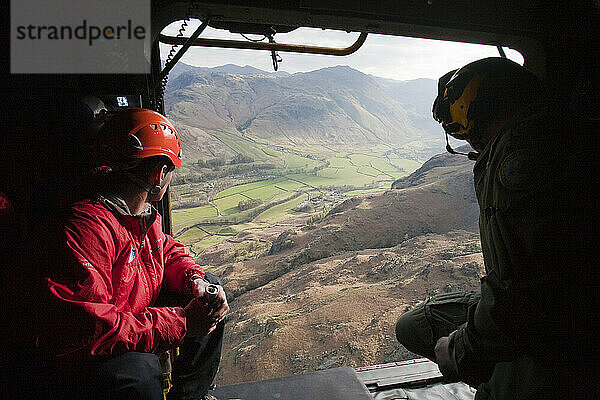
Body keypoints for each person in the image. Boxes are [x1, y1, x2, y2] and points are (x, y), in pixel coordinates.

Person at [395, 57, 597, 399]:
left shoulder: (519, 156)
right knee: (417, 323)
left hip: (566, 330)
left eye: (456, 128)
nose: (468, 144)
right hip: (557, 311)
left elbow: (521, 298)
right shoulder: (566, 133)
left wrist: (461, 351)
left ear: (469, 113)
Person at [24, 108, 229, 400]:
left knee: (210, 294)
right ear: (159, 174)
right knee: (139, 371)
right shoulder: (86, 228)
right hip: (84, 356)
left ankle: (189, 396)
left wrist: (194, 279)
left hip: (126, 321)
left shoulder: (139, 213)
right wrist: (182, 322)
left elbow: (166, 251)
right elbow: (90, 328)